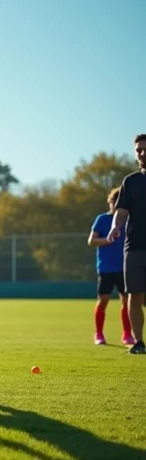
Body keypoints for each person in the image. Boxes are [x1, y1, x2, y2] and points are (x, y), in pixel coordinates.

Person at [108, 133, 146, 354]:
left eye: (144, 149)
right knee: (134, 294)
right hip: (134, 248)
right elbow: (121, 212)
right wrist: (115, 226)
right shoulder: (130, 181)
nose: (141, 153)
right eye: (138, 150)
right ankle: (139, 342)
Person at [88, 188, 132, 346]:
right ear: (110, 202)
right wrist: (107, 240)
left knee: (127, 301)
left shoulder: (128, 221)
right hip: (106, 268)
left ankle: (127, 334)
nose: (116, 204)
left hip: (124, 267)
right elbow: (91, 241)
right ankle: (99, 334)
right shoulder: (102, 219)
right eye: (114, 201)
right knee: (103, 301)